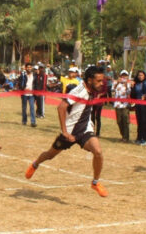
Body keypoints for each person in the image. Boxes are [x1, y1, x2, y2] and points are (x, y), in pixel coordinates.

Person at [25, 65, 109, 197]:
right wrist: (65, 132)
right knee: (50, 155)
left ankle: (95, 182)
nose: (101, 83)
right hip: (70, 131)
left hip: (84, 131)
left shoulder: (92, 90)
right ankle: (35, 164)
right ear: (89, 80)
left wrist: (90, 123)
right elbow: (61, 107)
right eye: (98, 81)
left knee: (98, 151)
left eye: (101, 81)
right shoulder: (78, 92)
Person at [113, 70, 132, 142]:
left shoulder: (128, 83)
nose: (123, 76)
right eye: (122, 75)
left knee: (125, 121)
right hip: (117, 104)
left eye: (125, 75)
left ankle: (126, 137)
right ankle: (123, 135)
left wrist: (127, 85)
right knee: (119, 121)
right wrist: (117, 83)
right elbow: (112, 89)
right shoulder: (116, 82)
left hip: (125, 105)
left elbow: (129, 92)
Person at [131, 71, 146, 144]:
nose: (140, 76)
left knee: (144, 121)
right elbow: (133, 95)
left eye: (141, 75)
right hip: (138, 105)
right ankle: (139, 137)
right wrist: (132, 87)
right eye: (139, 75)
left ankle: (144, 138)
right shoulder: (136, 84)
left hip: (145, 105)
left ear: (144, 76)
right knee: (139, 121)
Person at [18, 62, 36, 127]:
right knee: (24, 108)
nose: (29, 68)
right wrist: (23, 88)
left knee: (32, 107)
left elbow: (35, 83)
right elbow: (19, 83)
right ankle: (24, 121)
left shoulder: (34, 75)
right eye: (28, 67)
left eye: (30, 67)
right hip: (24, 94)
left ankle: (33, 122)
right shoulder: (23, 75)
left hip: (32, 94)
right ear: (26, 68)